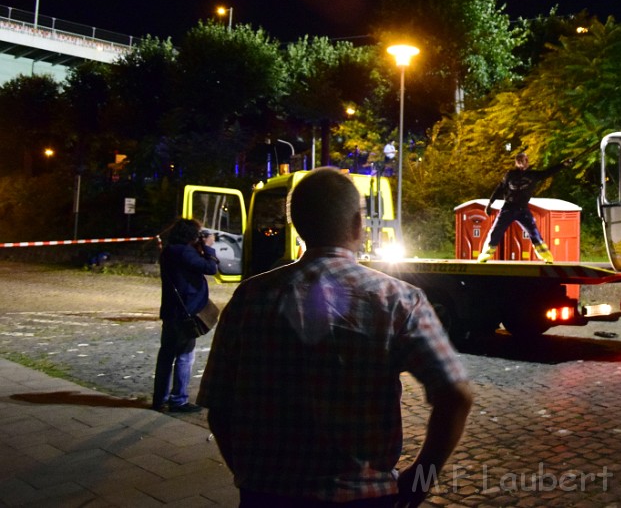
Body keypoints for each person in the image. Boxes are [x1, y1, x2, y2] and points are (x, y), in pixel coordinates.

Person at [197, 167, 473, 507]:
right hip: (365, 496)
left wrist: (249, 474)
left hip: (266, 495)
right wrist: (420, 480)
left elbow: (218, 405)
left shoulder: (250, 297)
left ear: (297, 226)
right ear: (358, 224)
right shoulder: (398, 298)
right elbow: (455, 395)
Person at [153, 218, 218, 413]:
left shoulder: (169, 251)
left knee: (166, 355)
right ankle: (178, 399)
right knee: (184, 355)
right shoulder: (185, 252)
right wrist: (208, 247)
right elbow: (211, 268)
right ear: (191, 235)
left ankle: (159, 399)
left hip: (171, 310)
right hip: (186, 312)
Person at [477, 152, 571, 264]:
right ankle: (484, 256)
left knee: (534, 232)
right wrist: (490, 203)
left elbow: (548, 172)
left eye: (524, 160)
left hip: (523, 209)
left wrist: (563, 165)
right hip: (508, 208)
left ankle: (546, 257)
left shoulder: (533, 175)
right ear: (516, 162)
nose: (522, 163)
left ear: (527, 162)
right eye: (520, 161)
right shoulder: (510, 174)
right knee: (496, 231)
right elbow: (500, 188)